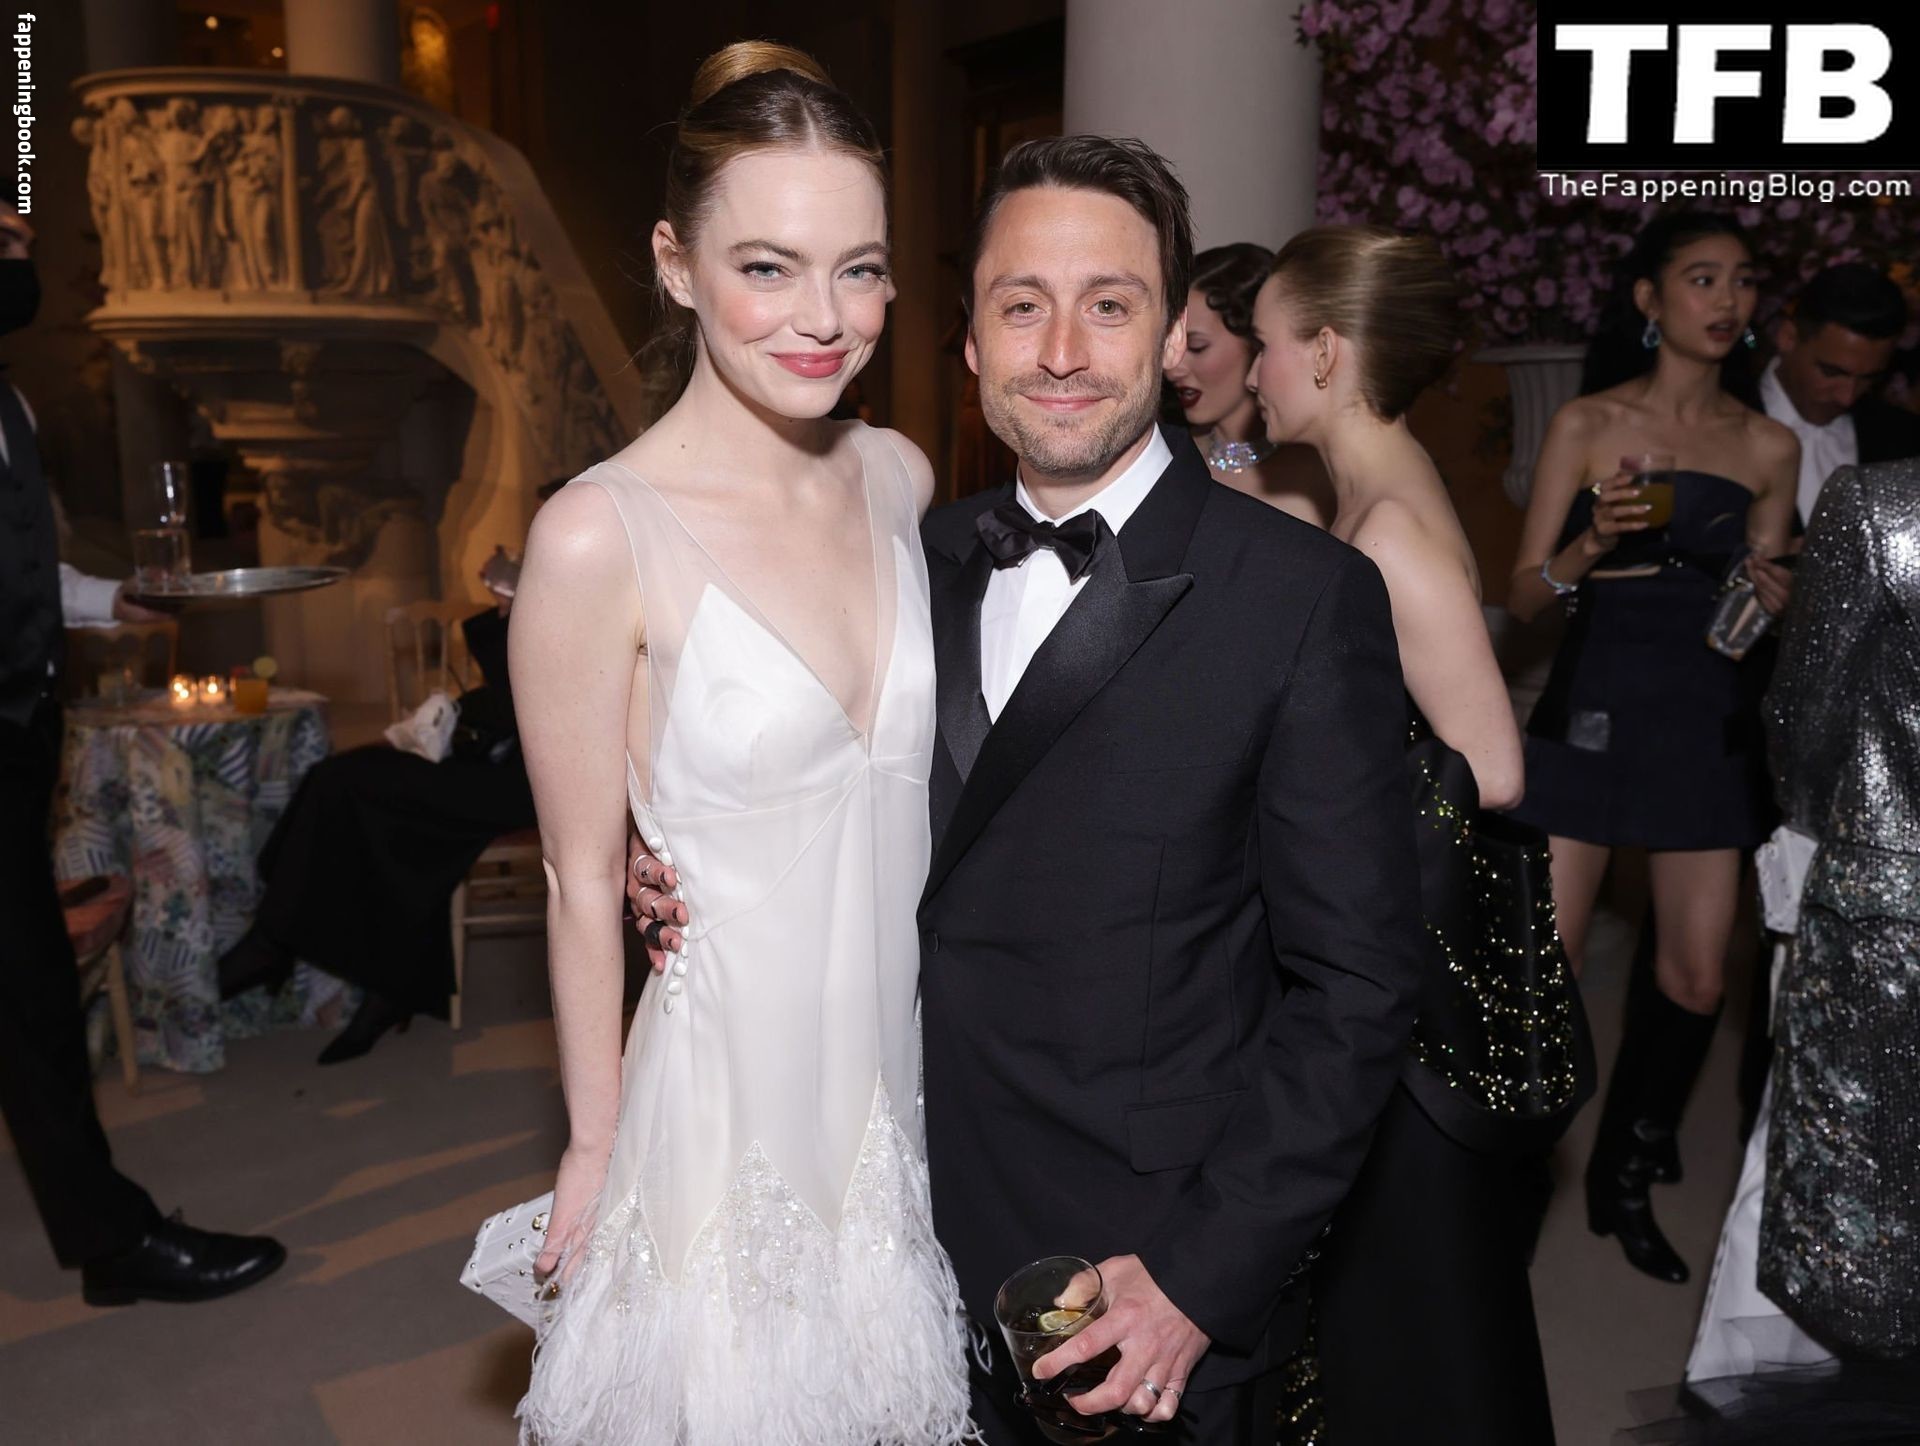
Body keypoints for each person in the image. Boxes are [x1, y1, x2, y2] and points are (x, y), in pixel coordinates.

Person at [633, 135, 1429, 1444]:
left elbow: (1357, 986)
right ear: (968, 337)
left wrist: (1201, 1277)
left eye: (1109, 304)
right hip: (887, 1202)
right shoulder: (913, 554)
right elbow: (803, 777)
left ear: (1174, 335)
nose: (1062, 350)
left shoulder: (1298, 598)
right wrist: (675, 854)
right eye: (1022, 305)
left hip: (1136, 1263)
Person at [508, 45, 973, 1445]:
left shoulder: (897, 475)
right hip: (727, 1106)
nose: (825, 320)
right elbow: (578, 876)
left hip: (904, 1074)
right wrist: (594, 1143)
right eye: (769, 268)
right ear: (676, 264)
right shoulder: (596, 535)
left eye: (861, 269)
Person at [1247, 224, 1561, 1444]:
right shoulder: (1367, 494)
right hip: (1384, 959)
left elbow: (1494, 767)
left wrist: (1313, 803)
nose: (1256, 372)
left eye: (1268, 345)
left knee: (1410, 1299)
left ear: (1326, 353)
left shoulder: (1388, 534)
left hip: (1409, 990)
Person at [1506, 211, 1799, 1284]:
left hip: (1702, 714)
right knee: (1546, 972)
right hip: (1594, 706)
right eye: (1702, 278)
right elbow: (1522, 596)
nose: (1727, 299)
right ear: (1649, 299)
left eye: (1742, 280)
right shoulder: (1589, 421)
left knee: (1696, 977)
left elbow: (1756, 609)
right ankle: (1511, 1184)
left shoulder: (1769, 446)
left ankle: (1623, 1177)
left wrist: (1778, 599)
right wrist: (1591, 541)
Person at [0, 205, 285, 1306]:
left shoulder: (12, 402)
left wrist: (107, 599)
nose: (22, 254)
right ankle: (113, 1243)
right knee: (31, 999)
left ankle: (107, 1241)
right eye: (4, 241)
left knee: (30, 1002)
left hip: (24, 731)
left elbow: (23, 566)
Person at [1673, 458, 1920, 1440]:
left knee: (1816, 1178)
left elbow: (1802, 714)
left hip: (1882, 910)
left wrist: (1821, 836)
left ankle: (1743, 1403)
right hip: (1881, 905)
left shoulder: (1881, 507)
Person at [216, 510, 547, 1064]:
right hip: (496, 755)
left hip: (537, 780)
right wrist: (512, 609)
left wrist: (518, 610)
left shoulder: (608, 600)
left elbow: (535, 703)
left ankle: (275, 943)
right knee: (349, 784)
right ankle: (368, 978)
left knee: (358, 790)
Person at [1164, 241, 1330, 525]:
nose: (1172, 366)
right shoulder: (1165, 457)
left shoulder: (1319, 476)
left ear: (1257, 345)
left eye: (1197, 347)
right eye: (1170, 345)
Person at [1763, 262, 1920, 527]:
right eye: (1832, 372)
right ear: (1788, 337)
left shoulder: (1904, 439)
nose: (1847, 397)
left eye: (1868, 378)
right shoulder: (1711, 420)